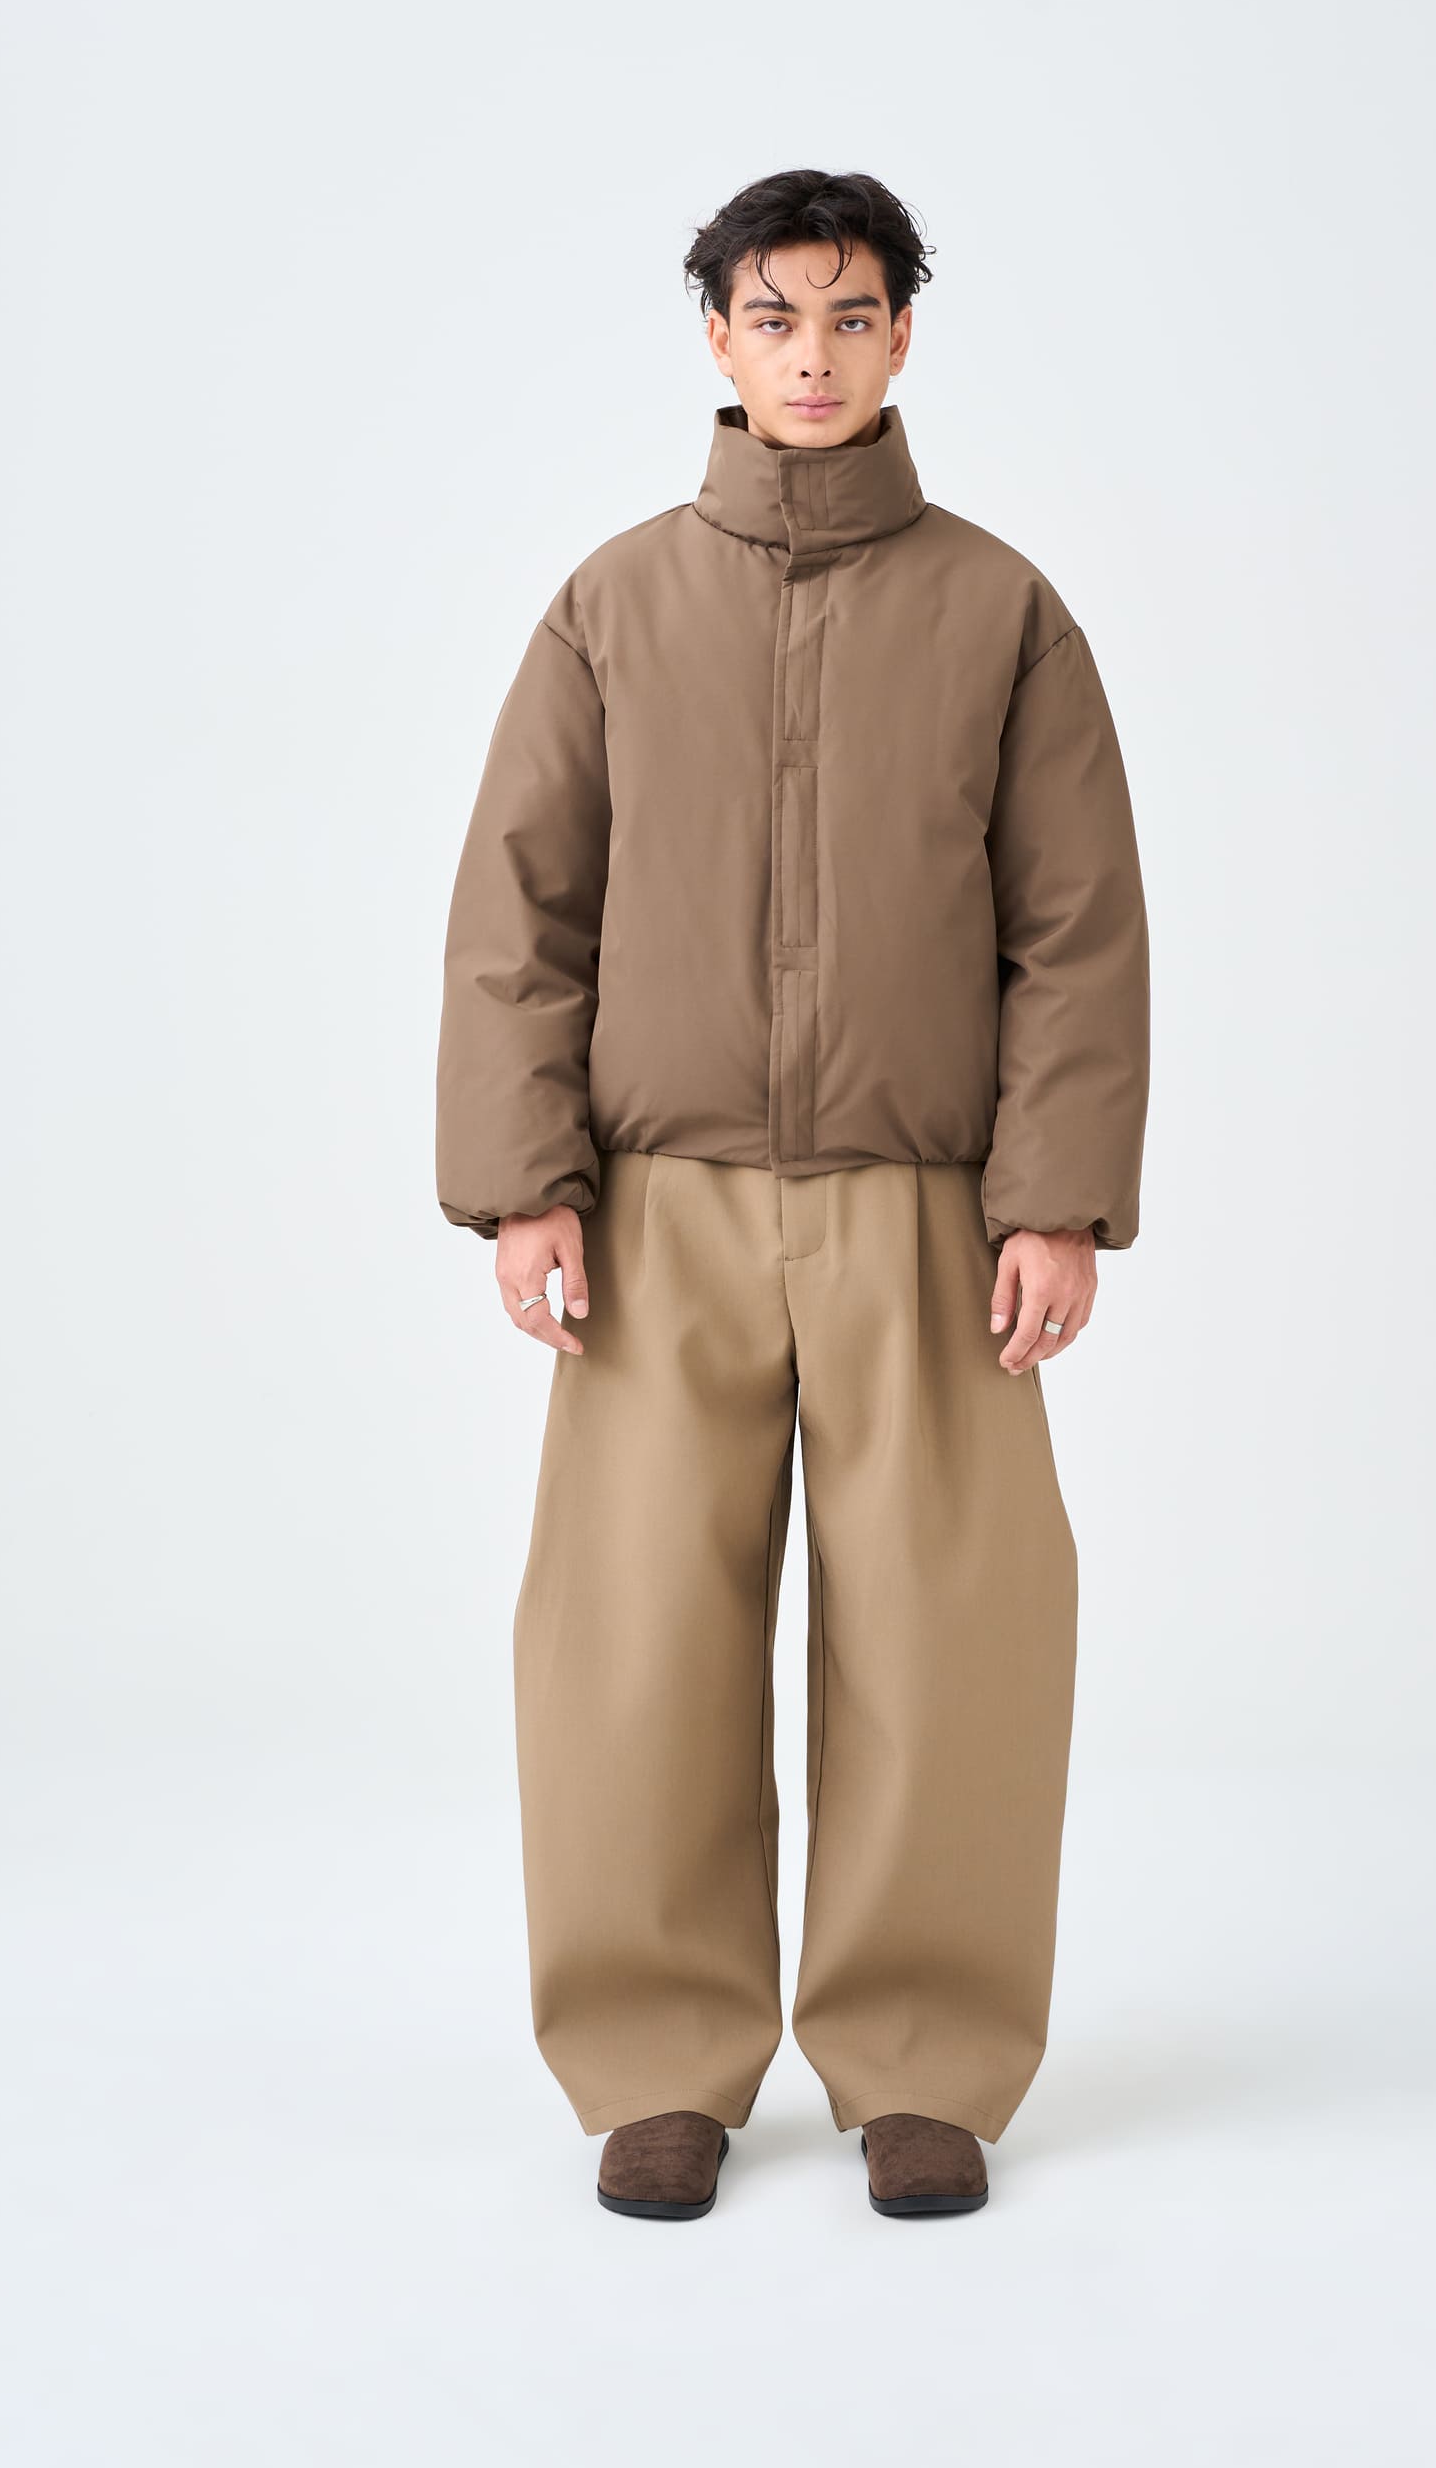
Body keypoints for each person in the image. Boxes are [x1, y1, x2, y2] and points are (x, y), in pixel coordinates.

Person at [435, 168, 1149, 2220]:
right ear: (718, 340)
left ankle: (921, 2057)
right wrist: (524, 1181)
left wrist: (1053, 1200)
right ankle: (657, 2056)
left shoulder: (1004, 614)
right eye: (774, 317)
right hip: (653, 1206)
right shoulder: (613, 606)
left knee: (951, 1630)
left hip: (927, 1207)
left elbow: (1075, 927)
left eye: (849, 317)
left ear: (902, 337)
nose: (812, 355)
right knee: (631, 1638)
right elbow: (521, 914)